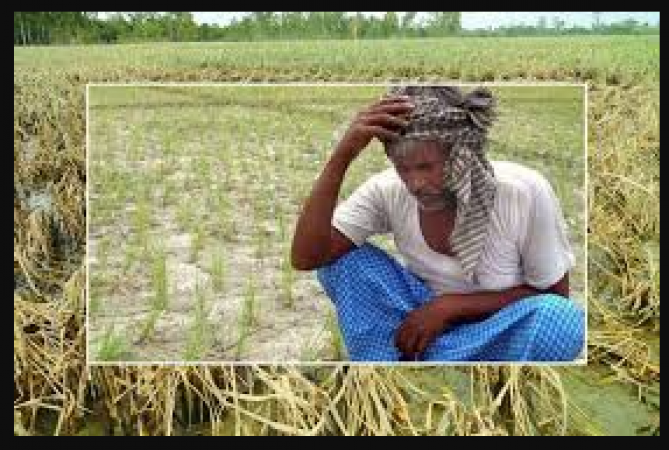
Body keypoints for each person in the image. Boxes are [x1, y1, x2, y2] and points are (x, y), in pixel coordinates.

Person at [290, 85, 585, 362]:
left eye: (427, 167)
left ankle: (421, 363)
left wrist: (451, 307)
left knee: (559, 321)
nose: (415, 183)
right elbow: (307, 257)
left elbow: (555, 296)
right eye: (403, 168)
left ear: (461, 154)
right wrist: (342, 156)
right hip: (419, 323)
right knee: (340, 262)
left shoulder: (523, 192)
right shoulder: (387, 190)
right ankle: (400, 363)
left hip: (498, 328)